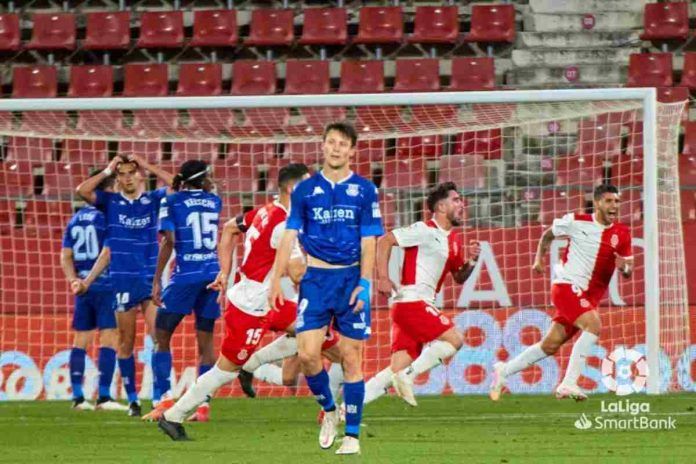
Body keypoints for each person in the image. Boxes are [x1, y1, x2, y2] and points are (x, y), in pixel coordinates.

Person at [157, 163, 311, 441]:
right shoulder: (284, 224)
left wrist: (225, 272)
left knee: (309, 328)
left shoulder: (266, 211)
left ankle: (253, 366)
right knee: (224, 371)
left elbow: (229, 229)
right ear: (294, 189)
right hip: (252, 306)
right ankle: (173, 416)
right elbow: (298, 273)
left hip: (264, 297)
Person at [268, 122, 383, 455]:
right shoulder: (305, 190)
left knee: (350, 357)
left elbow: (369, 241)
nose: (335, 148)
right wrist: (276, 279)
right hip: (315, 280)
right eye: (330, 142)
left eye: (342, 144)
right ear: (322, 146)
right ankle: (330, 411)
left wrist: (364, 283)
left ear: (352, 150)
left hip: (349, 279)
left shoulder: (364, 190)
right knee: (307, 354)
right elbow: (289, 235)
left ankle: (352, 436)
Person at [489, 184, 633, 401]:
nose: (614, 206)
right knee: (594, 325)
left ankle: (504, 371)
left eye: (617, 201)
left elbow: (628, 270)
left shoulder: (622, 234)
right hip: (566, 286)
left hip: (586, 297)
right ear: (597, 203)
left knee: (550, 345)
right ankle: (568, 383)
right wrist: (539, 259)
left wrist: (624, 268)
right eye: (609, 201)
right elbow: (548, 235)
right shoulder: (576, 221)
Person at [75, 154, 173, 416]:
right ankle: (133, 399)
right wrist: (107, 169)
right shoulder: (110, 203)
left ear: (139, 175)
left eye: (132, 172)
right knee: (126, 342)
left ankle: (160, 396)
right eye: (123, 173)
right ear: (117, 178)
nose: (128, 177)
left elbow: (178, 185)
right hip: (122, 280)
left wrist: (147, 165)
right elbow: (82, 190)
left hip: (150, 280)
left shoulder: (151, 200)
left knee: (158, 336)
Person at [366, 182, 480, 406]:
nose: (461, 204)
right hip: (412, 301)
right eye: (455, 200)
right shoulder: (424, 230)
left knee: (394, 370)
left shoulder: (454, 240)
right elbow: (385, 240)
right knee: (455, 338)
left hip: (415, 306)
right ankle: (408, 375)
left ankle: (341, 412)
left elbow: (458, 276)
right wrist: (383, 277)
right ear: (440, 207)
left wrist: (472, 261)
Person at [143, 160, 222, 422]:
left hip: (186, 276)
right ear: (202, 179)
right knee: (206, 341)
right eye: (209, 175)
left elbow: (170, 241)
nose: (213, 179)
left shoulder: (173, 202)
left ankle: (164, 399)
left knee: (161, 335)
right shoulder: (214, 201)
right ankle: (203, 406)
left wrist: (156, 279)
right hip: (212, 274)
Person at [62, 174, 126, 411]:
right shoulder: (108, 216)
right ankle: (105, 397)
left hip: (83, 287)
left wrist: (74, 281)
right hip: (105, 284)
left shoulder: (76, 219)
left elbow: (65, 255)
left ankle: (78, 398)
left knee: (81, 339)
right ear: (108, 190)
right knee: (110, 337)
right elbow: (107, 253)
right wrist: (90, 280)